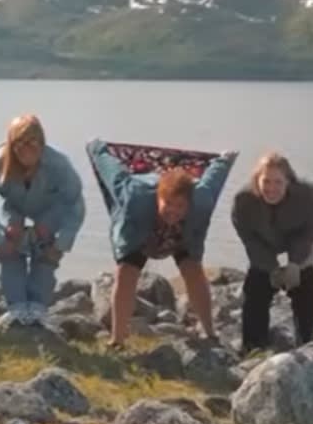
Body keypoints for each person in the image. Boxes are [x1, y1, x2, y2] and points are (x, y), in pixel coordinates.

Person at [86, 138, 237, 348]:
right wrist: (98, 150)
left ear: (188, 204)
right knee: (127, 272)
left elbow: (215, 178)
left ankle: (210, 332)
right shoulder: (134, 195)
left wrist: (225, 159)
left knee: (193, 270)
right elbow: (113, 174)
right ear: (159, 198)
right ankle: (117, 339)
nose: (173, 211)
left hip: (181, 233)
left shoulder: (201, 200)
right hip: (141, 230)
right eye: (169, 204)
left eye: (180, 206)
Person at [0, 114, 85, 328]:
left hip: (51, 209)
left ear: (42, 142)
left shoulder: (59, 164)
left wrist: (61, 243)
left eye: (32, 142)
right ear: (11, 144)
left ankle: (38, 306)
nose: (26, 149)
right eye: (19, 143)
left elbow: (75, 205)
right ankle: (17, 306)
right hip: (12, 207)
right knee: (10, 247)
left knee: (46, 252)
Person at [229, 150, 313, 354]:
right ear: (257, 181)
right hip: (264, 241)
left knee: (305, 287)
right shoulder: (243, 202)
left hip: (298, 239)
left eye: (278, 182)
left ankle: (309, 344)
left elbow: (308, 235)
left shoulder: (309, 198)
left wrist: (295, 263)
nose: (271, 188)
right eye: (266, 181)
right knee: (255, 289)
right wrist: (271, 267)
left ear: (288, 182)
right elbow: (251, 241)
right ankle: (253, 347)